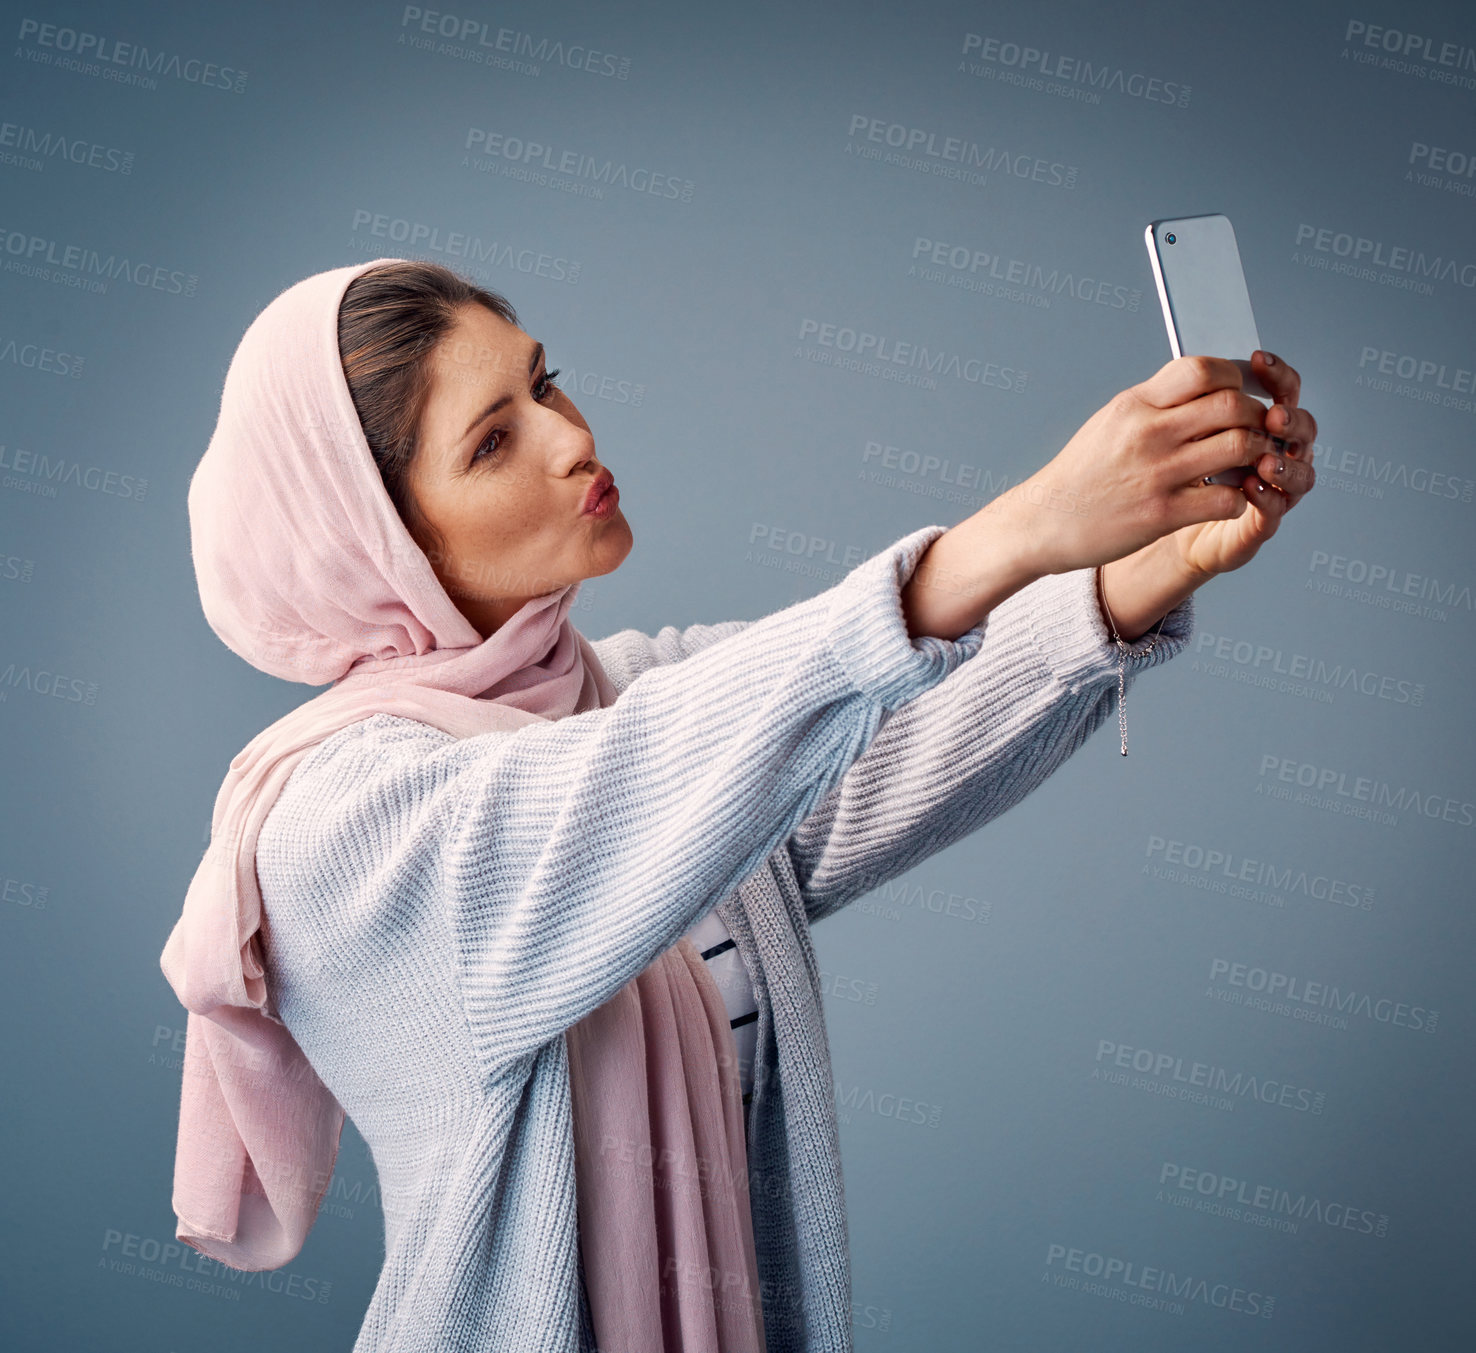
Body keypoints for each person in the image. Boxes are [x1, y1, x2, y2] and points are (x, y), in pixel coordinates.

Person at [159, 257, 1316, 1353]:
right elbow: (660, 774)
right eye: (495, 441)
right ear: (382, 543)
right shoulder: (338, 826)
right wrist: (1021, 528)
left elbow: (865, 725)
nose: (572, 439)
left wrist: (1149, 564)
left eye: (545, 380)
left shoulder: (625, 698)